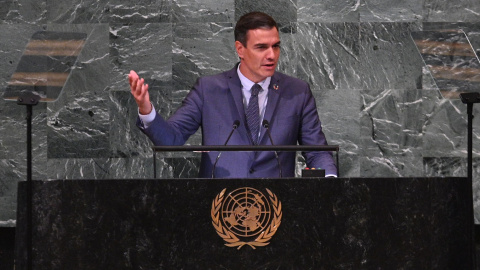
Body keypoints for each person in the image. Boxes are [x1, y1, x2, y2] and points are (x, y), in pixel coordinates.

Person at [128, 11, 337, 178]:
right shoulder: (207, 90)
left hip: (277, 210)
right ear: (240, 49)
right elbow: (171, 140)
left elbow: (317, 151)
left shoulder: (297, 92)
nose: (271, 55)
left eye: (276, 46)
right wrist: (146, 110)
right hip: (219, 208)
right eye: (261, 47)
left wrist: (329, 181)